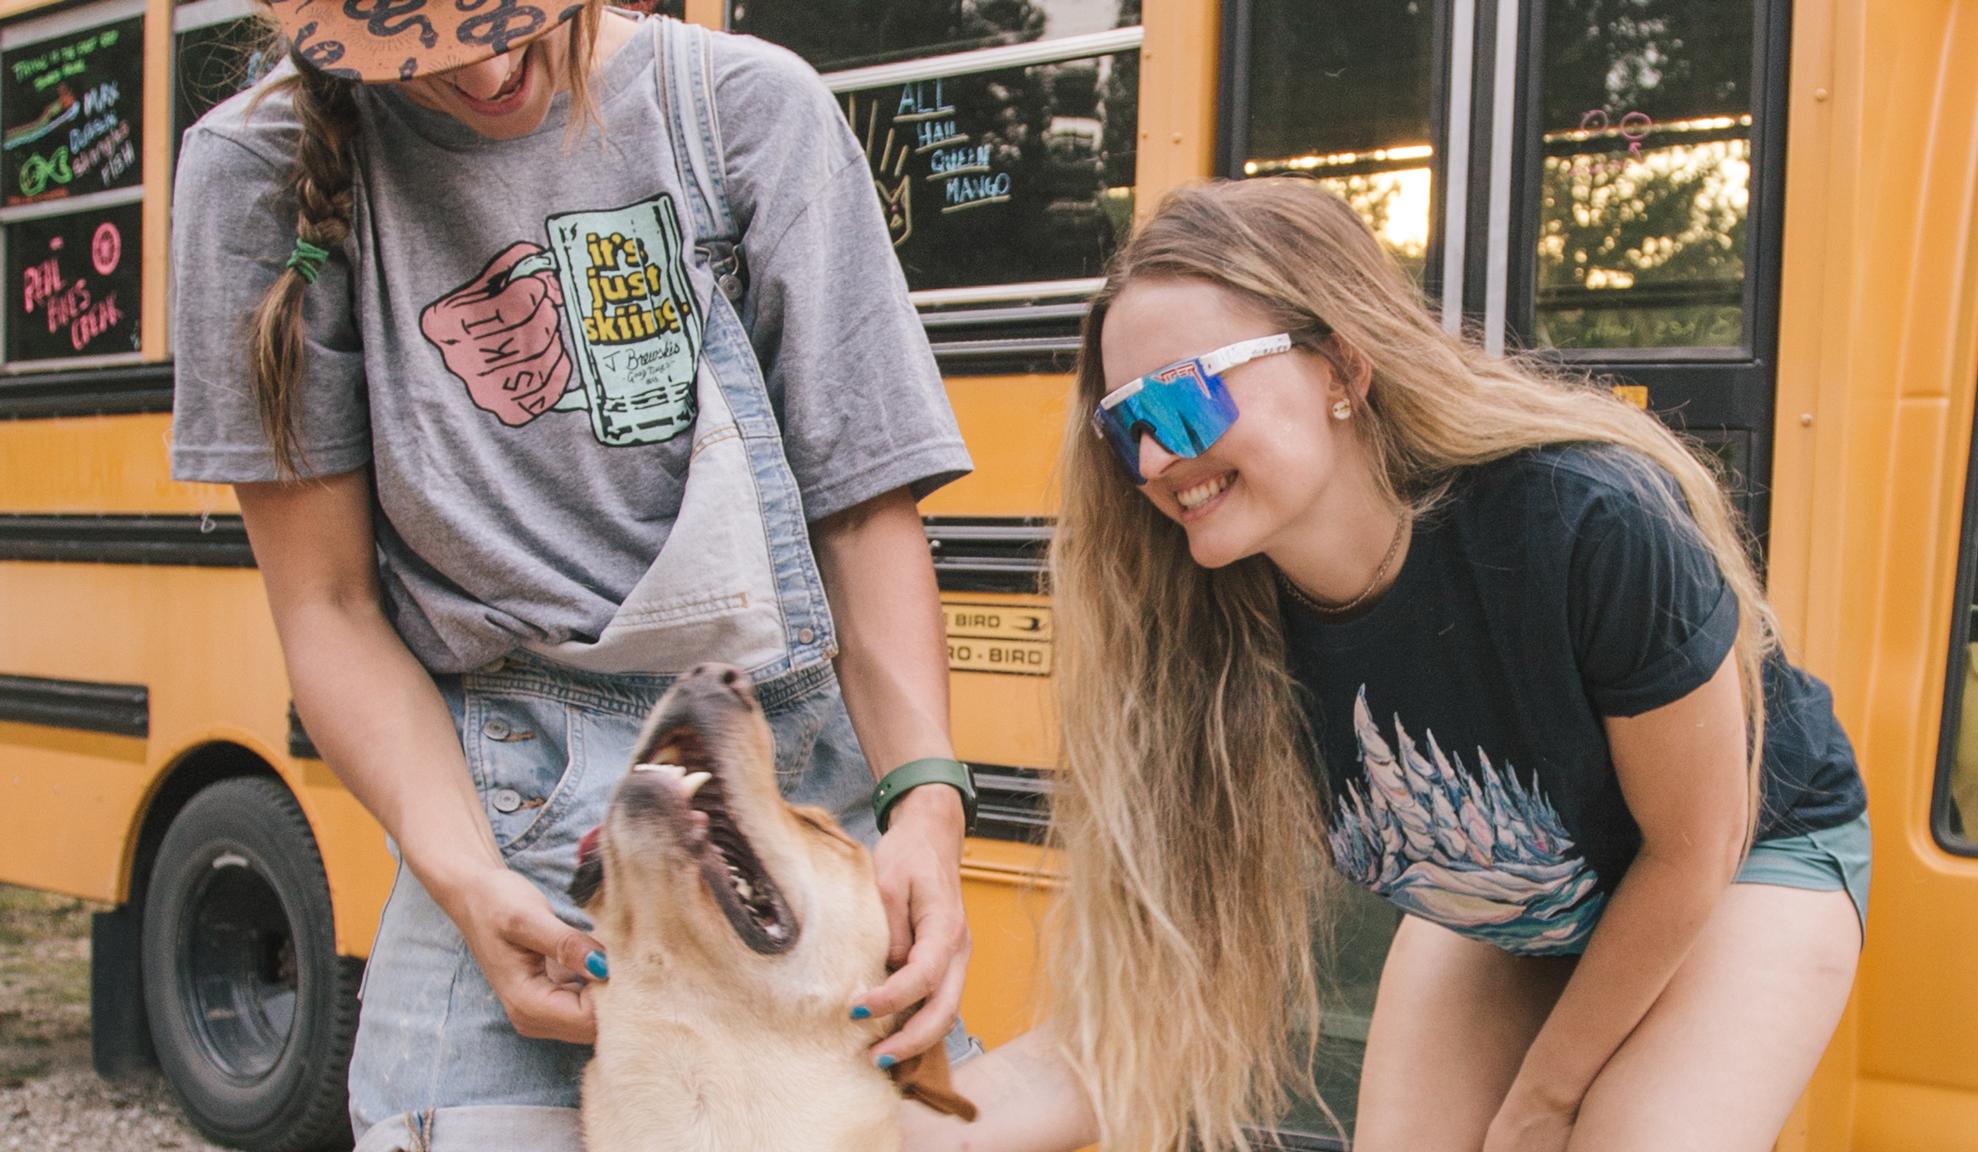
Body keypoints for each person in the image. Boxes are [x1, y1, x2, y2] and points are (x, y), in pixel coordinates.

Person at [904, 178, 1870, 1152]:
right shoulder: (1209, 632)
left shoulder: (1584, 521)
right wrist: (880, 1136)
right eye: (1126, 426)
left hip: (1741, 866)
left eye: (1181, 401)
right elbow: (1120, 1031)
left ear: (1340, 368)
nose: (1154, 461)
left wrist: (1541, 1101)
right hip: (1517, 894)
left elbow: (1690, 847)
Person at [169, 3, 978, 1147]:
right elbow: (330, 607)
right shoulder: (250, 170)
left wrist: (927, 814)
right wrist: (460, 881)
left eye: (516, 16)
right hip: (498, 831)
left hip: (789, 817)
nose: (493, 67)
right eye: (428, 46)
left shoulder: (744, 105)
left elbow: (862, 512)